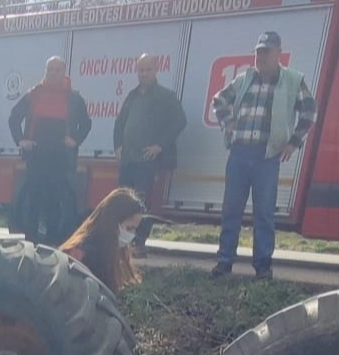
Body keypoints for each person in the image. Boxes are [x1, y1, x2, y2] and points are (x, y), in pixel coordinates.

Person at [209, 31, 317, 280]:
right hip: (239, 153)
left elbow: (310, 112)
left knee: (264, 213)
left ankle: (263, 266)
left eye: (267, 52)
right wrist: (228, 121)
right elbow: (219, 100)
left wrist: (293, 142)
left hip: (266, 156)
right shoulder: (244, 78)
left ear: (279, 53)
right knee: (231, 210)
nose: (261, 57)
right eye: (258, 52)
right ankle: (224, 261)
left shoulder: (292, 80)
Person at [7, 56, 92, 245]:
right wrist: (21, 140)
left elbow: (86, 123)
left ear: (64, 72)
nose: (53, 73)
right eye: (49, 70)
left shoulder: (74, 98)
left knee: (57, 200)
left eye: (57, 70)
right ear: (45, 71)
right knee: (34, 199)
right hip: (36, 156)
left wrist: (75, 140)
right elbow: (14, 118)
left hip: (61, 158)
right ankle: (30, 240)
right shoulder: (34, 94)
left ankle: (54, 242)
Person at [113, 53, 188, 256]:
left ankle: (139, 243)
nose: (144, 73)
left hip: (147, 161)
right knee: (122, 202)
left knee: (142, 204)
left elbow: (180, 121)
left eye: (148, 69)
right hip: (128, 160)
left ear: (156, 70)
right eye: (141, 70)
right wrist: (118, 146)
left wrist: (160, 145)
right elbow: (120, 123)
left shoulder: (166, 96)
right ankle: (122, 243)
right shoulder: (133, 95)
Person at [60, 188, 146, 293]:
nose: (132, 234)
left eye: (135, 229)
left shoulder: (110, 249)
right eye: (129, 228)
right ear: (113, 222)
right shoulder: (88, 253)